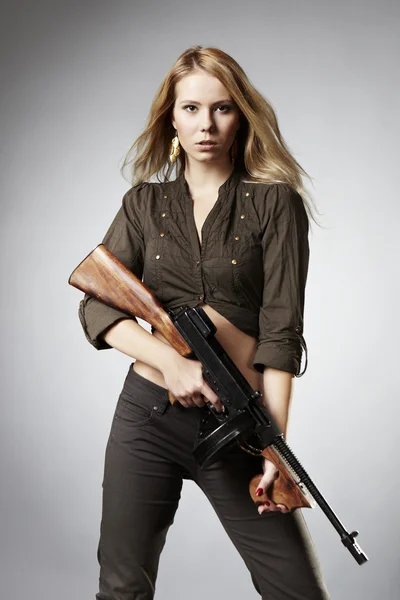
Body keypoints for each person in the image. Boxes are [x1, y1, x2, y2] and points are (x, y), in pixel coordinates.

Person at [78, 46, 330, 599]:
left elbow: (282, 334)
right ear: (171, 116)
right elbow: (96, 305)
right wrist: (169, 363)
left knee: (297, 593)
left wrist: (275, 451)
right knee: (121, 587)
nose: (206, 125)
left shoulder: (275, 203)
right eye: (191, 109)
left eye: (222, 109)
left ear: (241, 116)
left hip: (239, 422)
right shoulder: (143, 204)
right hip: (146, 420)